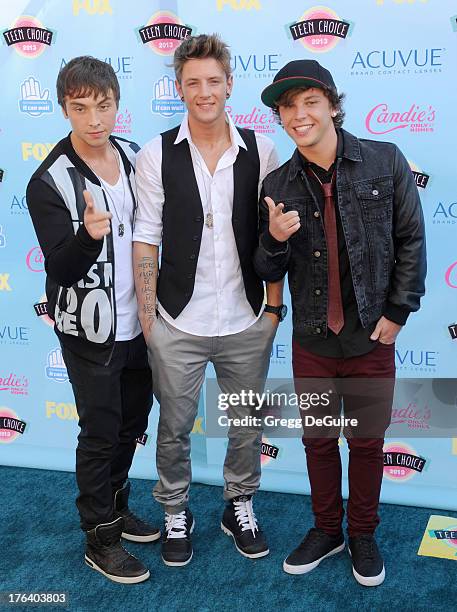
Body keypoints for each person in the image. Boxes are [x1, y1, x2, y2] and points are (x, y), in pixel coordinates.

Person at [254, 59, 426, 586]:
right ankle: (328, 530)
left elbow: (411, 241)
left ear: (332, 103)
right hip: (312, 338)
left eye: (310, 102)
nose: (299, 115)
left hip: (372, 335)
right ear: (281, 119)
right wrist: (274, 239)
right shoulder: (276, 182)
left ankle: (364, 534)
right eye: (288, 107)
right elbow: (264, 267)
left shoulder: (385, 160)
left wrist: (398, 312)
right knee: (319, 442)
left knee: (369, 443)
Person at [133, 34, 283, 567]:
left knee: (245, 423)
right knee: (173, 425)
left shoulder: (260, 149)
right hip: (178, 319)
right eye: (192, 82)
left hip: (246, 317)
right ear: (178, 88)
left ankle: (238, 504)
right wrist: (150, 319)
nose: (204, 92)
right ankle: (175, 509)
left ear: (229, 85)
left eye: (212, 81)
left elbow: (273, 235)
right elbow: (146, 235)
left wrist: (272, 310)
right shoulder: (155, 154)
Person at [27, 56, 159, 584]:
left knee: (131, 423)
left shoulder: (133, 155)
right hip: (88, 327)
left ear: (117, 103)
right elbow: (59, 265)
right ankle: (98, 538)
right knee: (100, 429)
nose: (94, 119)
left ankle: (118, 506)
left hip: (141, 322)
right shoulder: (49, 180)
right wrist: (88, 236)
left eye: (103, 106)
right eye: (80, 109)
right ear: (64, 109)